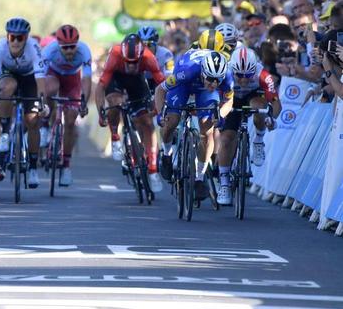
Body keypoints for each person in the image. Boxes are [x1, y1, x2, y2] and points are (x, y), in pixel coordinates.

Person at [155, 50, 234, 201]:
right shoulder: (187, 72)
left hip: (203, 92)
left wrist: (221, 117)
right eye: (210, 79)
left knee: (207, 129)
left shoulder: (227, 78)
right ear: (203, 72)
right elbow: (160, 90)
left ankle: (200, 176)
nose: (214, 84)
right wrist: (160, 114)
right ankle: (166, 154)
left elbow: (229, 101)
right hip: (184, 84)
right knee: (171, 120)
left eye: (218, 80)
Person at [96, 33, 166, 192]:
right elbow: (100, 87)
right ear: (123, 55)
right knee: (115, 102)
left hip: (137, 82)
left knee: (147, 123)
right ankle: (115, 136)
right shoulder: (114, 55)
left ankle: (153, 169)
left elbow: (162, 86)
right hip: (117, 78)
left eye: (136, 62)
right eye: (129, 62)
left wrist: (158, 109)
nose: (132, 65)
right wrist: (101, 112)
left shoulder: (148, 57)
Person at [0, 17, 48, 188]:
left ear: (26, 37)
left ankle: (33, 168)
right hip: (10, 75)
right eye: (11, 37)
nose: (15, 41)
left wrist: (42, 103)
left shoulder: (35, 49)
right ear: (7, 36)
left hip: (30, 79)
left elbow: (41, 81)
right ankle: (5, 133)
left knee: (32, 121)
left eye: (19, 38)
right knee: (6, 88)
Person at [216, 46, 280, 205]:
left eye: (248, 75)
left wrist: (271, 118)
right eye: (239, 75)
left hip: (253, 96)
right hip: (231, 98)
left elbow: (276, 103)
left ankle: (258, 140)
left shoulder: (263, 75)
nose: (244, 80)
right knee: (226, 139)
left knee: (261, 107)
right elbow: (215, 99)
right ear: (232, 69)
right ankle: (224, 183)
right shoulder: (224, 73)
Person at [41, 24, 91, 186]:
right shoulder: (49, 50)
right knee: (50, 89)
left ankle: (67, 166)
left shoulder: (84, 51)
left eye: (72, 47)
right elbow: (39, 77)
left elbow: (86, 79)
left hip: (72, 81)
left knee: (70, 122)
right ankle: (44, 125)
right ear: (58, 45)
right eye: (65, 47)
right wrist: (41, 102)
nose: (69, 51)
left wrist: (83, 101)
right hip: (53, 75)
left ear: (77, 44)